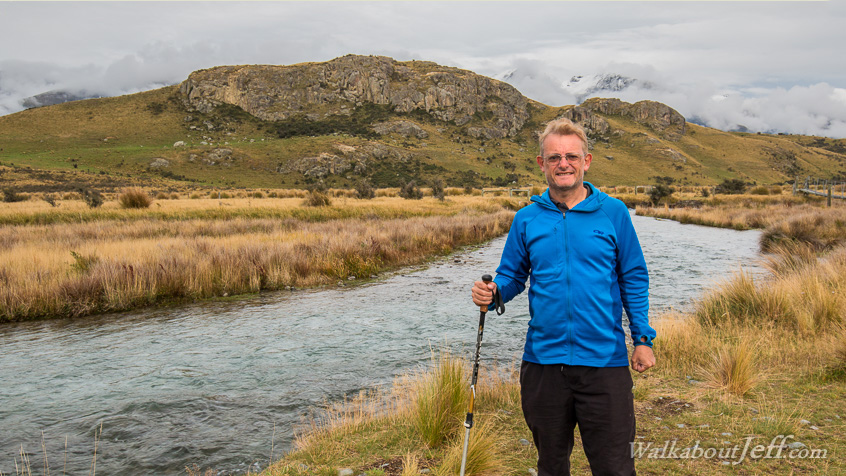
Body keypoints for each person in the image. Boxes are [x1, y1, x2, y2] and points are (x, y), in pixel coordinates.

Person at [471, 118, 656, 475]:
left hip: (605, 363)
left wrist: (643, 339)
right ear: (542, 163)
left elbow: (633, 276)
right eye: (554, 157)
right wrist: (494, 292)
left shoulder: (614, 212)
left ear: (587, 161)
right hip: (544, 365)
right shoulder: (526, 219)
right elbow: (512, 275)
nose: (563, 164)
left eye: (571, 156)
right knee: (551, 465)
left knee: (615, 467)